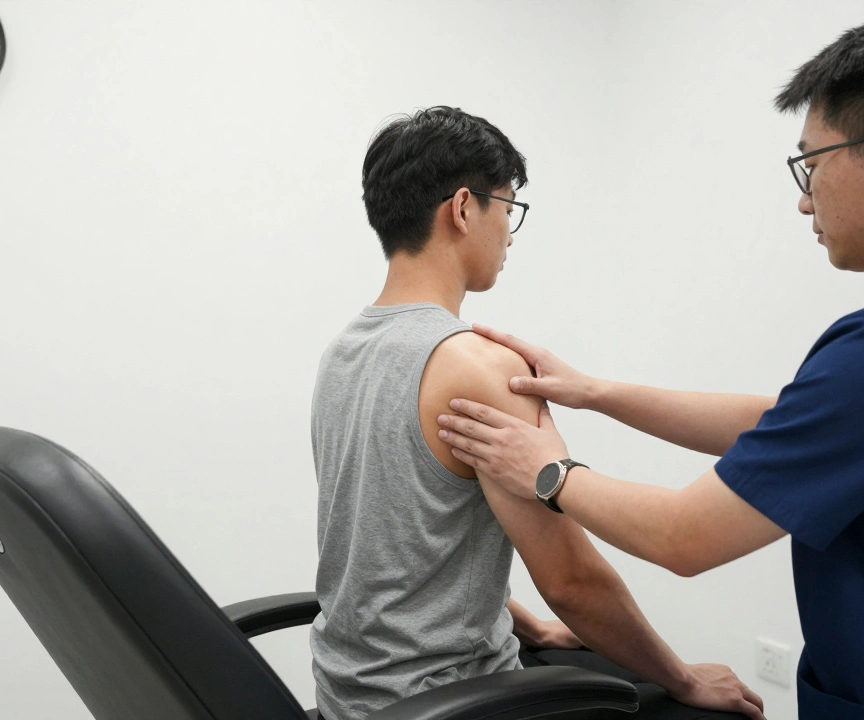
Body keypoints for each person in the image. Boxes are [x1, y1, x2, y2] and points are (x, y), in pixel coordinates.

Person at [435, 11, 864, 720]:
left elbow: (684, 537)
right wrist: (596, 392)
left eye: (812, 164)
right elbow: (789, 423)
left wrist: (549, 472)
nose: (803, 198)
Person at [310, 105, 763, 720]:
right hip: (452, 704)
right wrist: (683, 680)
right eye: (508, 207)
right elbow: (572, 584)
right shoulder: (480, 368)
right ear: (463, 209)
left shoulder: (341, 354)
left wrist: (530, 627)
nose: (510, 233)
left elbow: (400, 550)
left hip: (348, 700)